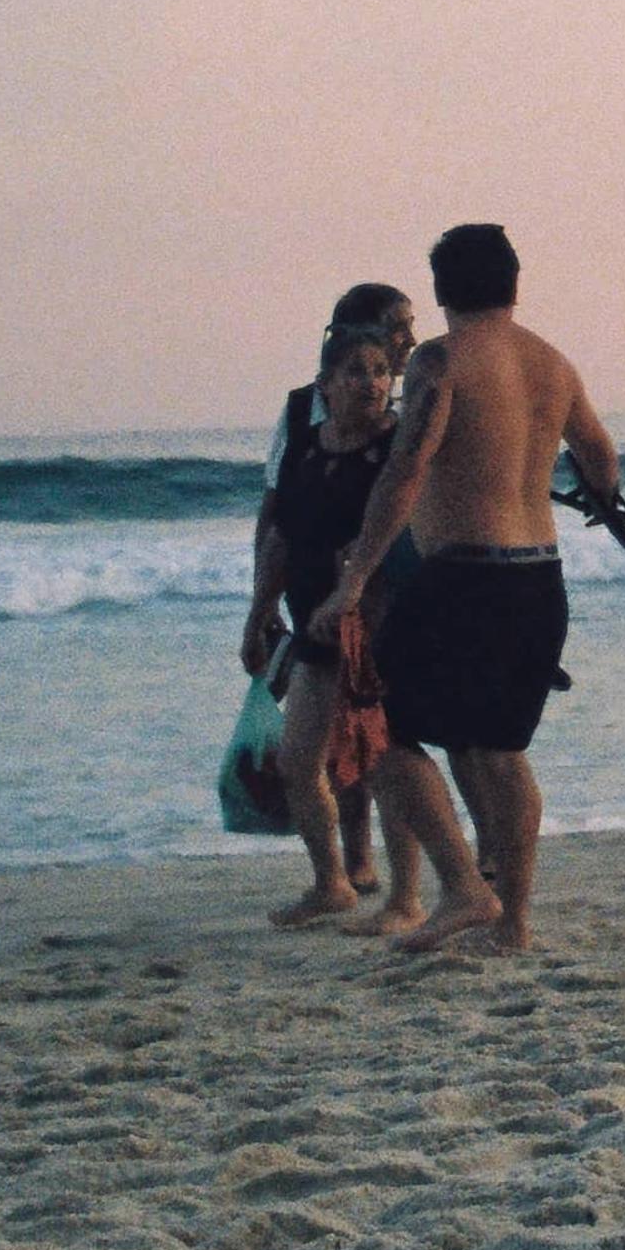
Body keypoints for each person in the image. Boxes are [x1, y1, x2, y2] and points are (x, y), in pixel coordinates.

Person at [319, 224, 620, 955]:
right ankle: (512, 924)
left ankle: (463, 888)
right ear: (514, 283)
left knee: (374, 727)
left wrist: (354, 578)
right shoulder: (553, 363)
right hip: (538, 577)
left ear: (441, 290)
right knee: (499, 750)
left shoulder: (441, 359)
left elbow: (406, 470)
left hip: (464, 577)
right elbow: (600, 454)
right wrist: (602, 498)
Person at [253, 319, 434, 931]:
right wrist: (259, 610)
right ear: (325, 383)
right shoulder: (308, 446)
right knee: (297, 761)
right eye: (355, 372)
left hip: (379, 628)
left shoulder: (397, 450)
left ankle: (406, 898)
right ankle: (330, 883)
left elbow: (415, 529)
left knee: (386, 763)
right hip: (315, 623)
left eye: (381, 372)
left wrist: (366, 583)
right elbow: (282, 534)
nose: (372, 384)